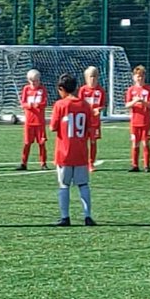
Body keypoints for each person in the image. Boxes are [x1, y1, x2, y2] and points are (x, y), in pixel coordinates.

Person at [50, 73, 95, 226]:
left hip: (64, 152)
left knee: (64, 185)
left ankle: (65, 217)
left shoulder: (60, 105)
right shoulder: (85, 105)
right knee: (83, 185)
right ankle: (87, 216)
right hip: (81, 151)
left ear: (61, 89)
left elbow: (53, 127)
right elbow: (89, 128)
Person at [125, 65, 150, 172]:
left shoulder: (149, 89)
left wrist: (142, 101)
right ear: (134, 77)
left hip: (145, 121)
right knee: (135, 142)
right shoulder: (131, 90)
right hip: (134, 121)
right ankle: (135, 165)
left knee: (145, 142)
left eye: (142, 76)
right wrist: (134, 101)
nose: (140, 78)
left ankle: (147, 165)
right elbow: (127, 105)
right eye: (138, 76)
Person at [18, 69, 48, 171]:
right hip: (29, 122)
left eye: (36, 80)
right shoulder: (26, 89)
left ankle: (43, 163)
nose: (34, 83)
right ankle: (23, 163)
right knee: (27, 143)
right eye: (32, 81)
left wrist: (38, 105)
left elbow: (44, 103)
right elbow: (23, 103)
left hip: (39, 122)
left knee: (42, 143)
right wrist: (29, 105)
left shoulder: (42, 89)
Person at [77, 65, 106, 172]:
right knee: (82, 142)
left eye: (94, 76)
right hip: (84, 121)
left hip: (94, 122)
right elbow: (79, 103)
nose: (92, 79)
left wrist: (99, 109)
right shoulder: (82, 90)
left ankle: (91, 163)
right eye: (90, 76)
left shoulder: (101, 91)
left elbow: (102, 105)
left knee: (93, 142)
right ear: (86, 78)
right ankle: (82, 161)